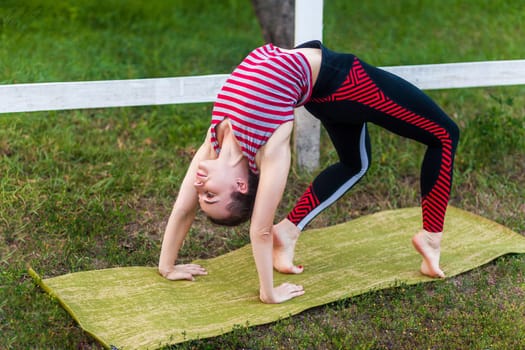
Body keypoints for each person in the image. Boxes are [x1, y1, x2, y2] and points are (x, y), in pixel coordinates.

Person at [158, 40, 460, 304]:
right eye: (209, 193)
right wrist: (269, 293)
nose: (198, 184)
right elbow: (259, 230)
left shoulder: (214, 141)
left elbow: (183, 208)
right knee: (445, 134)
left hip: (319, 90)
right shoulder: (271, 144)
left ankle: (288, 233)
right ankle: (431, 238)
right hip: (345, 80)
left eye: (202, 193)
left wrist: (167, 266)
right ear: (240, 184)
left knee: (355, 164)